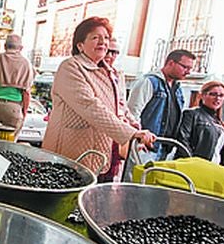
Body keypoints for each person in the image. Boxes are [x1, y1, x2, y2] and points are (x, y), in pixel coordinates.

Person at [42, 17, 155, 175]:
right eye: (95, 37)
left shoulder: (109, 72)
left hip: (103, 150)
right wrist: (130, 133)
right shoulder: (71, 67)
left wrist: (135, 126)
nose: (103, 42)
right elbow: (90, 106)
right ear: (80, 45)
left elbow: (119, 105)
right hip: (72, 151)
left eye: (106, 38)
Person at [127, 49, 196, 159]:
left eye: (190, 68)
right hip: (145, 147)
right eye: (185, 67)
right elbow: (132, 112)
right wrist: (138, 138)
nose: (188, 72)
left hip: (165, 148)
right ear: (171, 63)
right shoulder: (149, 82)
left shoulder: (177, 89)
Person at [98, 38, 140, 182]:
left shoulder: (118, 75)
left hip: (115, 136)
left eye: (115, 52)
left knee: (110, 176)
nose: (110, 56)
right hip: (99, 131)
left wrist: (134, 124)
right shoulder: (94, 72)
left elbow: (122, 104)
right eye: (108, 51)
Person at [0, 34, 35, 136]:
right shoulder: (26, 64)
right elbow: (26, 92)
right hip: (13, 106)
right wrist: (24, 110)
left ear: (5, 46)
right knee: (9, 141)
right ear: (21, 48)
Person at [176, 80, 224, 165]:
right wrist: (192, 162)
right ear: (202, 95)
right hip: (193, 166)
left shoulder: (219, 123)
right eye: (213, 94)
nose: (217, 98)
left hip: (213, 169)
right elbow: (183, 140)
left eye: (221, 95)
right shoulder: (191, 114)